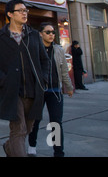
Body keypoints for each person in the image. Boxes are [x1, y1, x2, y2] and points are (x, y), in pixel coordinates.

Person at [0, 0, 49, 157]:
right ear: (10, 14)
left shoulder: (34, 35)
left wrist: (43, 79)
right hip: (12, 91)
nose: (24, 13)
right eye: (20, 10)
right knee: (18, 128)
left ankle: (9, 147)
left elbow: (44, 60)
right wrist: (3, 79)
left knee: (28, 128)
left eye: (26, 10)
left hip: (34, 89)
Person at [28, 22, 73, 157]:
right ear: (40, 34)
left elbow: (64, 70)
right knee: (35, 120)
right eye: (48, 32)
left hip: (55, 91)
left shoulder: (58, 49)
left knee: (56, 122)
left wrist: (68, 86)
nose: (51, 35)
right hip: (39, 91)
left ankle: (58, 152)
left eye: (53, 32)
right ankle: (32, 146)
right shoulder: (34, 49)